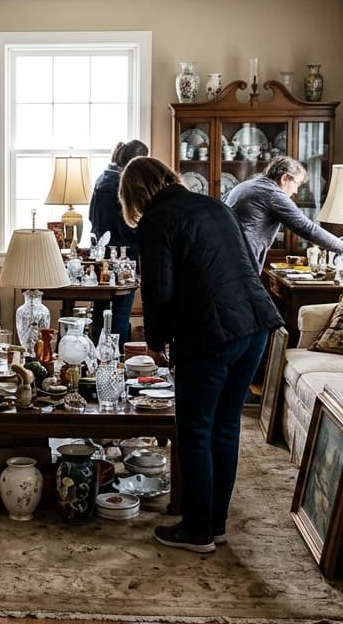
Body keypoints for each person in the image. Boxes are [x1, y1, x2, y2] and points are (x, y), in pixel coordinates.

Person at [119, 156, 283, 553]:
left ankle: (196, 531)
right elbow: (244, 264)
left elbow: (158, 291)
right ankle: (215, 523)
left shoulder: (156, 221)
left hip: (211, 334)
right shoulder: (214, 205)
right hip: (257, 324)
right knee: (224, 427)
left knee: (193, 431)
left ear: (134, 195)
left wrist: (155, 343)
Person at [224, 156, 343, 274]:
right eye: (296, 183)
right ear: (284, 178)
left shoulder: (246, 185)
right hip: (242, 261)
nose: (296, 190)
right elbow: (307, 228)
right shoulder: (273, 193)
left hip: (226, 255)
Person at [87, 139, 149, 344]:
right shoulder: (125, 185)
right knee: (122, 307)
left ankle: (96, 355)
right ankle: (119, 357)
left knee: (100, 307)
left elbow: (91, 218)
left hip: (100, 252)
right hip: (124, 253)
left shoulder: (101, 180)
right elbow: (132, 223)